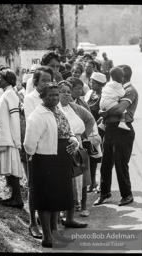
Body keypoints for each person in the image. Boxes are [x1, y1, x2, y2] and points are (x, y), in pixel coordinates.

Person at [24, 84, 79, 248]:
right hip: (45, 160)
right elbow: (28, 145)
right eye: (51, 96)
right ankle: (47, 237)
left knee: (57, 199)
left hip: (61, 160)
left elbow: (69, 132)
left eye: (56, 95)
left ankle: (56, 234)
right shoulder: (37, 116)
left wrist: (74, 141)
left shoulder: (58, 111)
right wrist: (40, 154)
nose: (55, 98)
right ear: (42, 97)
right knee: (46, 199)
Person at [94, 65, 138, 206]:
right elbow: (103, 105)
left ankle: (127, 194)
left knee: (120, 164)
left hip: (123, 130)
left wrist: (105, 112)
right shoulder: (114, 87)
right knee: (106, 163)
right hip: (110, 128)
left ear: (123, 76)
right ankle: (104, 192)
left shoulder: (130, 90)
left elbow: (120, 109)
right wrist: (102, 111)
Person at [57, 80, 95, 224]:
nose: (66, 94)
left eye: (68, 91)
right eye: (63, 91)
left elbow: (90, 119)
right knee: (66, 181)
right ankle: (62, 213)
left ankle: (74, 213)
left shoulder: (75, 108)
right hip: (64, 147)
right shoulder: (56, 109)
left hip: (78, 145)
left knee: (81, 177)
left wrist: (83, 135)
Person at [23, 66, 54, 239]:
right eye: (44, 80)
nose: (47, 83)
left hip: (51, 148)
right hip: (35, 148)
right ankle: (33, 223)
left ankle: (48, 223)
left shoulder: (52, 96)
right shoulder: (30, 98)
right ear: (35, 82)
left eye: (50, 80)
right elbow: (31, 122)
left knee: (49, 186)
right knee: (34, 186)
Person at [0, 68, 24, 209]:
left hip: (8, 139)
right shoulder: (5, 94)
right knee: (8, 168)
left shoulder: (10, 95)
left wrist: (17, 141)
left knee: (13, 168)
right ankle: (13, 197)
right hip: (1, 138)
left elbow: (15, 120)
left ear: (7, 80)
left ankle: (18, 199)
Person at [66, 77, 97, 217]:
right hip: (68, 143)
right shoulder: (64, 105)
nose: (79, 91)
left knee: (83, 174)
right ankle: (72, 206)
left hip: (80, 142)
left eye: (81, 88)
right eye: (76, 89)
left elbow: (90, 119)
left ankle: (83, 205)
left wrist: (85, 135)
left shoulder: (80, 104)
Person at [84, 72, 107, 193]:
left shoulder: (104, 96)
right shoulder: (89, 94)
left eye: (93, 82)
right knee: (91, 157)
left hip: (101, 130)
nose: (91, 84)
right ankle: (92, 182)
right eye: (91, 81)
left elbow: (106, 111)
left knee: (101, 157)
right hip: (90, 129)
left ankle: (102, 183)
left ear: (100, 84)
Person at [98, 67, 130, 131]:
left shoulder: (108, 83)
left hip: (102, 103)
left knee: (105, 111)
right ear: (115, 77)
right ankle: (122, 122)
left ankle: (102, 123)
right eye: (121, 76)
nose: (123, 78)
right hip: (109, 103)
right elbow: (122, 94)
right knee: (123, 111)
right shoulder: (118, 85)